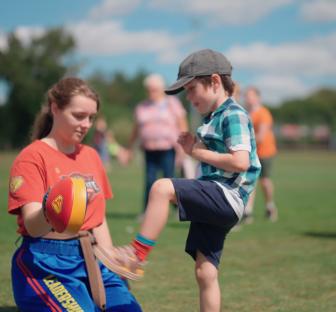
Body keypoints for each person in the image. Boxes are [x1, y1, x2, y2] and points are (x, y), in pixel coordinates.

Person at [105, 49, 261, 311]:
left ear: (214, 81)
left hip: (227, 195)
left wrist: (197, 151)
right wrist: (195, 146)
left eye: (191, 89)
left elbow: (240, 162)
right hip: (218, 196)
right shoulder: (210, 117)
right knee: (205, 272)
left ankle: (136, 256)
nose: (188, 98)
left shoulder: (233, 113)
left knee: (161, 187)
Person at [8, 77, 142, 311]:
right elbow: (34, 226)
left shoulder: (91, 155)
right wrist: (57, 205)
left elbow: (98, 219)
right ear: (55, 108)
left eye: (91, 117)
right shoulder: (31, 157)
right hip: (45, 261)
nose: (86, 124)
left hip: (92, 257)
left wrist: (111, 257)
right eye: (79, 116)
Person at [127, 73, 188, 215]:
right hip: (149, 149)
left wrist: (184, 146)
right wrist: (129, 147)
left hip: (168, 148)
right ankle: (148, 211)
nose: (151, 92)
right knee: (149, 181)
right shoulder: (142, 106)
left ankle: (172, 208)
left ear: (161, 89)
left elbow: (182, 124)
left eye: (154, 89)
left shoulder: (172, 103)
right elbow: (136, 129)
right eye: (149, 89)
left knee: (169, 179)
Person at [244, 86, 278, 222]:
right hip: (251, 153)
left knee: (264, 181)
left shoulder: (264, 113)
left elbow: (261, 137)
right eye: (246, 96)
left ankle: (270, 206)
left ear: (258, 98)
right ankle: (248, 212)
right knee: (250, 181)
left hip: (265, 152)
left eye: (251, 95)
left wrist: (242, 142)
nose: (248, 98)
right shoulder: (246, 114)